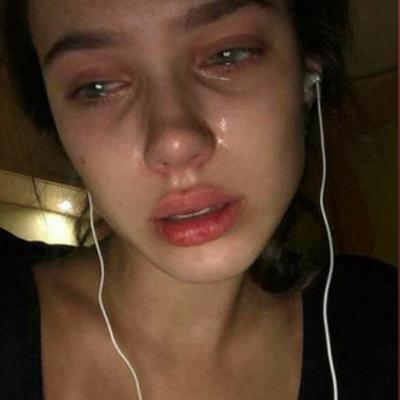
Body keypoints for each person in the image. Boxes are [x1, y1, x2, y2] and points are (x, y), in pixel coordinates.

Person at [1, 0, 396, 399]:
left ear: (308, 71)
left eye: (228, 55)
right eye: (97, 87)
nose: (173, 143)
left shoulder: (378, 320)